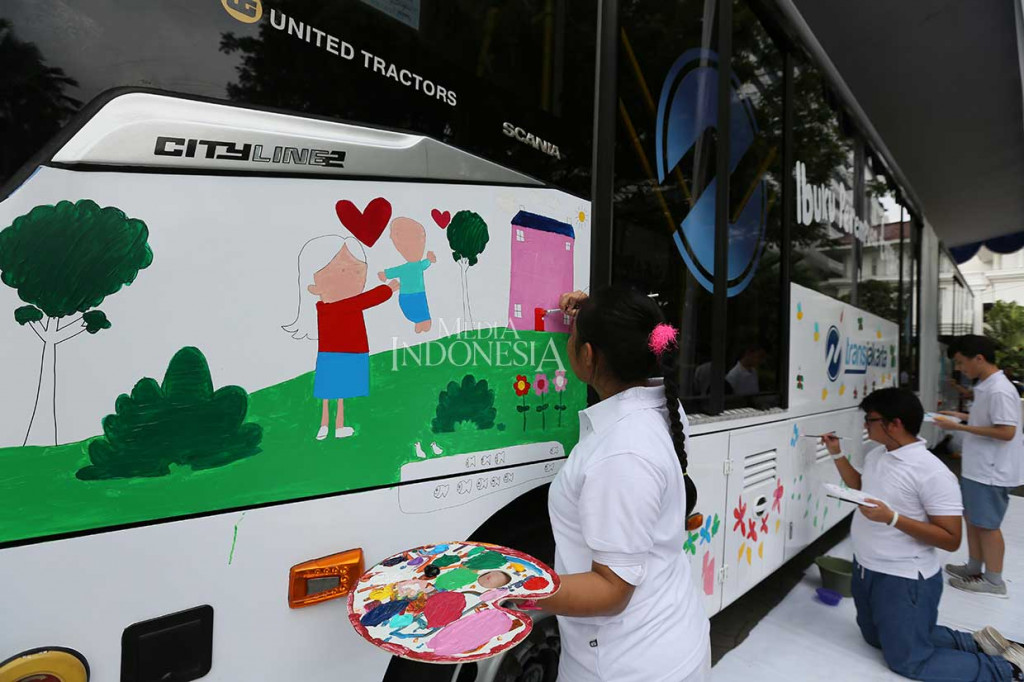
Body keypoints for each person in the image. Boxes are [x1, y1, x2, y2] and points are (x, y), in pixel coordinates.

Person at [533, 286, 710, 682]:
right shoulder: (664, 404)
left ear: (589, 355)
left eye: (573, 338)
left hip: (631, 666)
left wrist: (513, 590)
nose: (569, 341)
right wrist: (596, 313)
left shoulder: (622, 454)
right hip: (667, 641)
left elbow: (611, 590)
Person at [823, 387, 1024, 681]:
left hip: (904, 579)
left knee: (908, 661)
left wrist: (891, 518)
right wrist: (837, 454)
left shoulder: (931, 472)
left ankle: (1008, 669)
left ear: (895, 424)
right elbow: (861, 489)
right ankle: (977, 642)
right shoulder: (879, 454)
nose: (865, 424)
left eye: (870, 419)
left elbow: (950, 538)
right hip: (867, 568)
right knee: (874, 638)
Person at [283, 235, 398, 440]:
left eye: (358, 271)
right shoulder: (335, 307)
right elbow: (366, 300)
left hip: (347, 352)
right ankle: (325, 424)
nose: (355, 277)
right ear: (314, 286)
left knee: (339, 393)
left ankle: (337, 425)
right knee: (331, 392)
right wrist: (388, 289)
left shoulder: (335, 307)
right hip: (339, 353)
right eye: (343, 270)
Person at [936, 334, 1024, 597]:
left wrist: (959, 426)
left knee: (987, 525)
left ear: (980, 359)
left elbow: (1007, 431)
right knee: (974, 520)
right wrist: (960, 416)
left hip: (991, 470)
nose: (961, 369)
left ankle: (994, 580)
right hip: (979, 468)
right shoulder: (987, 385)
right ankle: (975, 568)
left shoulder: (999, 389)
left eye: (962, 363)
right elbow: (989, 419)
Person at [378, 217, 436, 334]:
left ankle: (422, 321)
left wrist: (429, 260)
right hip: (409, 295)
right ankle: (420, 321)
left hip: (414, 294)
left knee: (419, 308)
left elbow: (394, 271)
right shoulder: (408, 267)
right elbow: (394, 271)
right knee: (413, 309)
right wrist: (385, 274)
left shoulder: (413, 266)